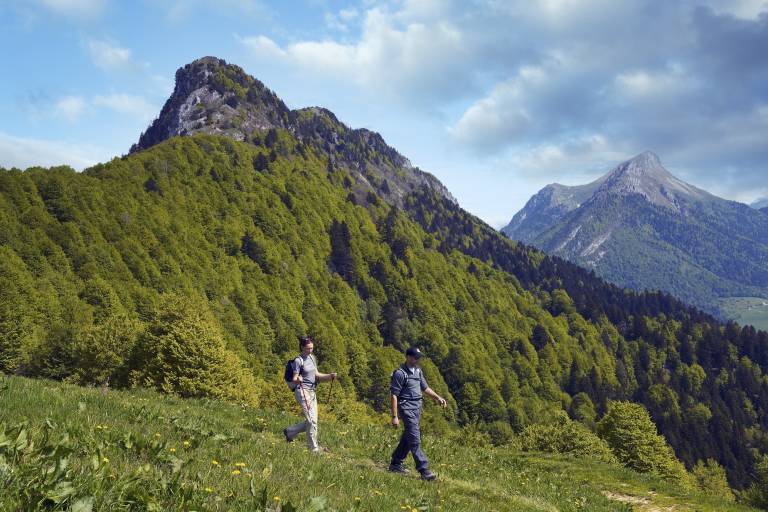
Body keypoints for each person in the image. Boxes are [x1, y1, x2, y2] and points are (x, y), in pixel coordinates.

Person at [388, 346, 447, 481]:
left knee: (408, 436)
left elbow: (425, 388)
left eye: (419, 357)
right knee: (414, 437)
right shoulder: (400, 373)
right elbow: (394, 395)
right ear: (408, 357)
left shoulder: (418, 372)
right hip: (406, 407)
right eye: (415, 357)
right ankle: (424, 470)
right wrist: (395, 416)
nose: (417, 360)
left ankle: (396, 463)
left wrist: (438, 398)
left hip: (417, 408)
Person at [283, 335, 337, 453]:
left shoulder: (312, 358)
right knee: (312, 421)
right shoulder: (298, 360)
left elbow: (316, 375)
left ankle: (290, 432)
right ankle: (313, 449)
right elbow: (295, 378)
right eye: (308, 348)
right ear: (302, 347)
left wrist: (329, 376)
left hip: (312, 392)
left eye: (311, 348)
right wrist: (299, 379)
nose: (310, 350)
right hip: (302, 391)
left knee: (313, 420)